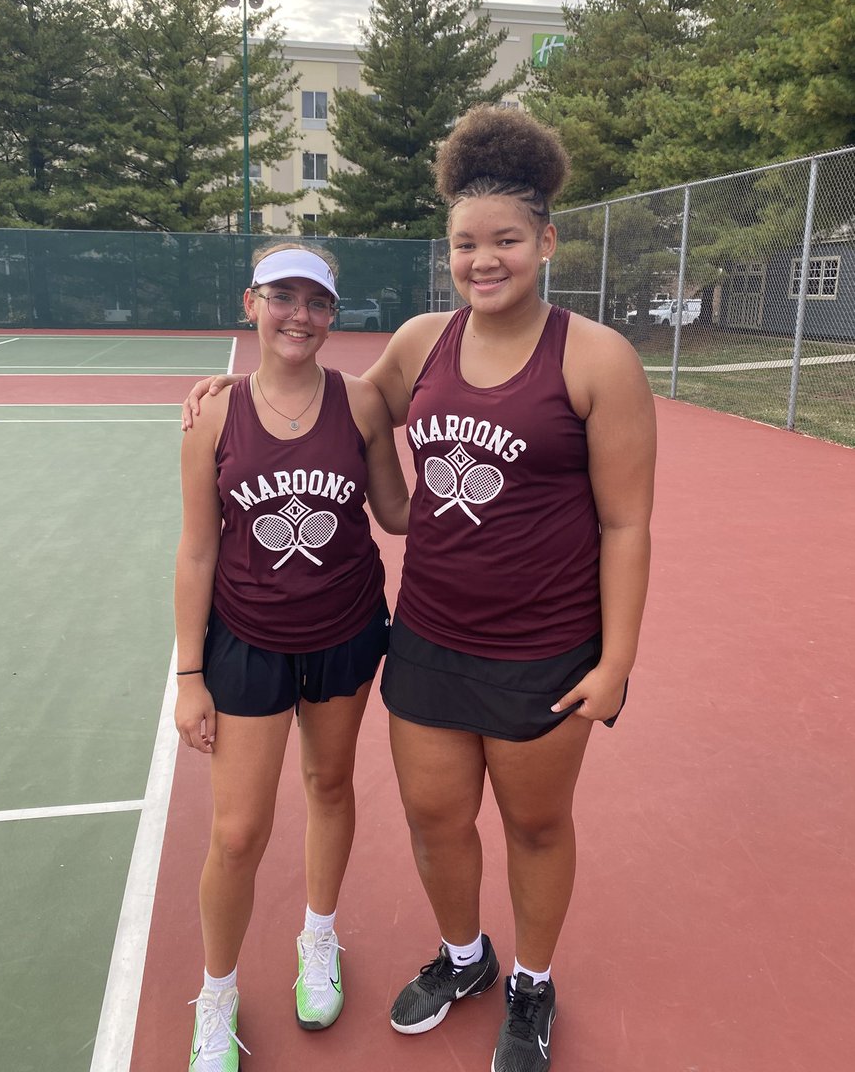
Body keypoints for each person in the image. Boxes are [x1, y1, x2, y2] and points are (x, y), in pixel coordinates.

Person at [183, 105, 656, 1072]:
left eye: (506, 241)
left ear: (546, 240)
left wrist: (618, 662)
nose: (485, 260)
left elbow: (626, 523)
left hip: (546, 652)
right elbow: (336, 405)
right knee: (437, 821)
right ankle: (463, 957)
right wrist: (225, 397)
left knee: (532, 822)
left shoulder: (598, 359)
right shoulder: (423, 343)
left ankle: (531, 985)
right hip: (429, 641)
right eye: (466, 244)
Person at [174, 243, 409, 1072]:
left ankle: (318, 938)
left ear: (333, 316)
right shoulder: (211, 417)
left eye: (316, 302)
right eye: (283, 298)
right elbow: (198, 552)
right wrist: (189, 675)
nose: (299, 316)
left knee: (331, 784)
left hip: (347, 631)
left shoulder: (363, 403)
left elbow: (398, 513)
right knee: (237, 833)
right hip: (244, 643)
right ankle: (219, 994)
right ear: (252, 304)